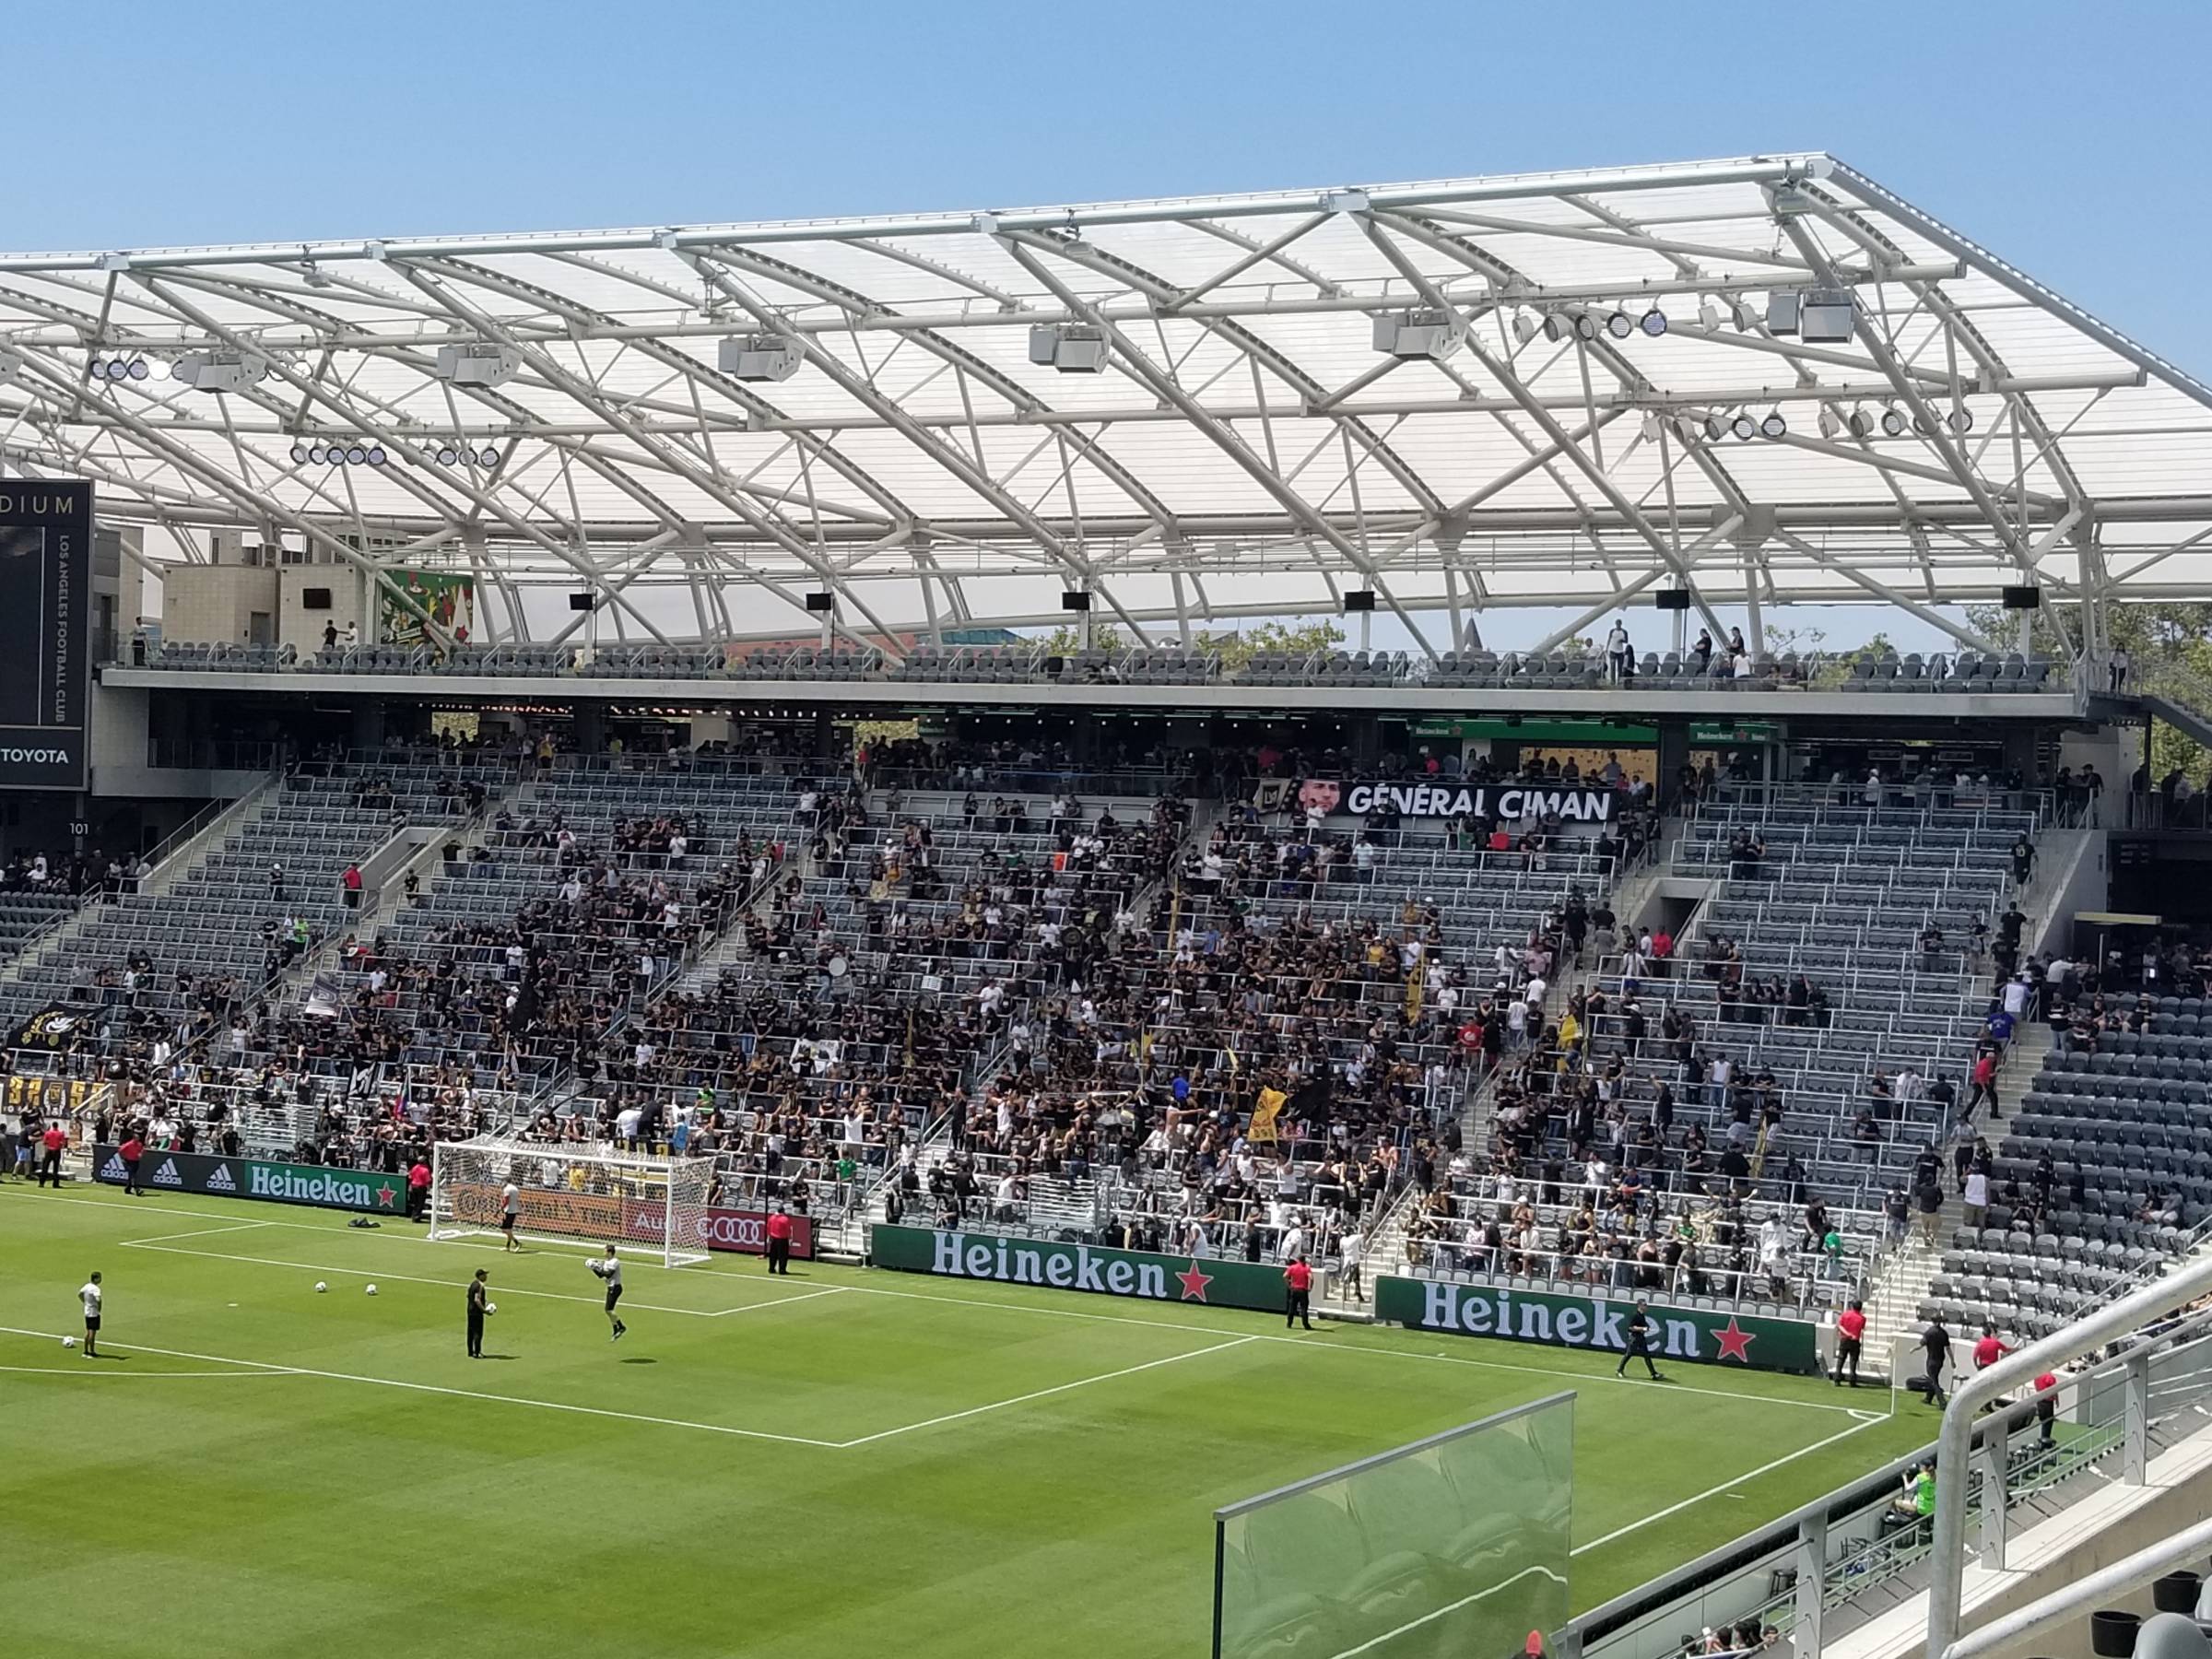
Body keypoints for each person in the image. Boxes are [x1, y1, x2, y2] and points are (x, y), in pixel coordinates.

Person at [1616, 1300, 1664, 1381]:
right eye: (1644, 1305)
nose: (1646, 1307)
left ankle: (1653, 1374)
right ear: (1640, 1306)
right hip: (1634, 1338)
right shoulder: (1635, 1315)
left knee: (1647, 1355)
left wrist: (1645, 1329)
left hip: (1641, 1338)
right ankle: (1619, 1370)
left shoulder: (1642, 1316)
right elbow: (1631, 1328)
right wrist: (1642, 1328)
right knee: (1629, 1354)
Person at [589, 1243, 628, 1340]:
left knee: (609, 1310)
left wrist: (596, 1267)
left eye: (605, 1250)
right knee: (608, 1310)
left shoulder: (615, 1262)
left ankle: (621, 1326)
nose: (603, 1252)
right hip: (611, 1287)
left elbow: (609, 1274)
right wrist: (593, 1268)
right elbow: (601, 1276)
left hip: (615, 1287)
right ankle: (615, 1329)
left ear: (610, 1252)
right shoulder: (606, 1262)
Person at [1918, 1317, 1952, 1407]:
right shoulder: (1944, 1333)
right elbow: (1948, 1348)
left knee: (1933, 1381)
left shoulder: (1929, 1332)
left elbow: (1921, 1343)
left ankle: (1942, 1401)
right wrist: (1952, 1360)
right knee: (1934, 1378)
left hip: (1932, 1359)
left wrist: (1914, 1349)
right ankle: (1928, 1398)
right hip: (1940, 1359)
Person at [1835, 1300, 1866, 1388]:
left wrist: (1847, 1333)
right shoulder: (1862, 1318)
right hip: (1855, 1340)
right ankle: (1852, 1380)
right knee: (1853, 1361)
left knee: (1841, 1359)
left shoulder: (1845, 1314)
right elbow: (1862, 1328)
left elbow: (1840, 1325)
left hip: (1845, 1339)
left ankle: (1837, 1378)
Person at [1283, 1253, 1313, 1331]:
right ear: (1304, 1260)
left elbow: (1285, 1276)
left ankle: (1289, 1323)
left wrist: (1288, 1285)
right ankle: (1306, 1325)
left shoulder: (1292, 1267)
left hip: (1294, 1289)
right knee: (1304, 1308)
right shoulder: (1306, 1268)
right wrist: (1310, 1287)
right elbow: (1311, 1278)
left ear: (1298, 1260)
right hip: (1303, 1290)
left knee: (1292, 1307)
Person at [78, 1270, 103, 1358]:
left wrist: (84, 1302)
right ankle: (92, 1352)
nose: (101, 1279)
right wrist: (99, 1307)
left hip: (87, 1310)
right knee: (92, 1332)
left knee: (88, 1331)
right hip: (93, 1311)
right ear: (96, 1279)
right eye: (99, 1278)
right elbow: (98, 1299)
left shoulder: (87, 1286)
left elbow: (80, 1294)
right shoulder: (95, 1289)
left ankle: (85, 1351)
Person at [465, 1267, 489, 1359]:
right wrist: (484, 1310)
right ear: (480, 1276)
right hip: (477, 1312)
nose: (486, 1276)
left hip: (470, 1311)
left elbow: (468, 1296)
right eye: (484, 1275)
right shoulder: (480, 1286)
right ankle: (477, 1352)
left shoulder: (472, 1284)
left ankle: (470, 1351)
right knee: (478, 1332)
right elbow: (477, 1299)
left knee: (470, 1331)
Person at [38, 1119, 67, 1188]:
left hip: (49, 1150)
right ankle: (55, 1184)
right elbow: (63, 1143)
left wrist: (49, 1144)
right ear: (57, 1126)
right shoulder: (60, 1133)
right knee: (55, 1168)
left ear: (52, 1126)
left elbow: (44, 1142)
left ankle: (41, 1183)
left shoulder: (48, 1133)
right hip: (56, 1151)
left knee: (45, 1167)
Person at [765, 1204, 794, 1276]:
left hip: (773, 1238)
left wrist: (768, 1236)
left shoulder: (771, 1218)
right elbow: (788, 1230)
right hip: (782, 1239)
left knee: (773, 1255)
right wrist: (790, 1238)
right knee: (783, 1256)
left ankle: (771, 1268)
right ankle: (782, 1270)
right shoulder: (785, 1219)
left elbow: (768, 1227)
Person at [116, 1127, 145, 1196]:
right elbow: (120, 1150)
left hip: (136, 1161)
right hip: (129, 1161)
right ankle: (137, 1189)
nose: (138, 1139)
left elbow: (142, 1150)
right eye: (137, 1138)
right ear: (134, 1138)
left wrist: (141, 1154)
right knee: (133, 1175)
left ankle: (127, 1189)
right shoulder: (129, 1144)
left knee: (132, 1175)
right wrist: (123, 1158)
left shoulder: (139, 1144)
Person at [1338, 1227, 1364, 1301]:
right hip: (1354, 1261)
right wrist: (1363, 1226)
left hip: (1346, 1261)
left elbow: (1341, 1250)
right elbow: (1365, 1234)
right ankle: (1346, 1294)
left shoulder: (1342, 1239)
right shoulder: (1354, 1237)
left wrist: (1345, 1256)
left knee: (1355, 1278)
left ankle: (1357, 1293)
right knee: (1351, 1278)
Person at [500, 1180, 521, 1252]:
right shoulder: (515, 1188)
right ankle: (507, 1246)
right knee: (509, 1229)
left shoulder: (507, 1189)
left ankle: (517, 1243)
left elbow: (506, 1201)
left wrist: (501, 1208)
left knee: (504, 1229)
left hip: (509, 1210)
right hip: (514, 1210)